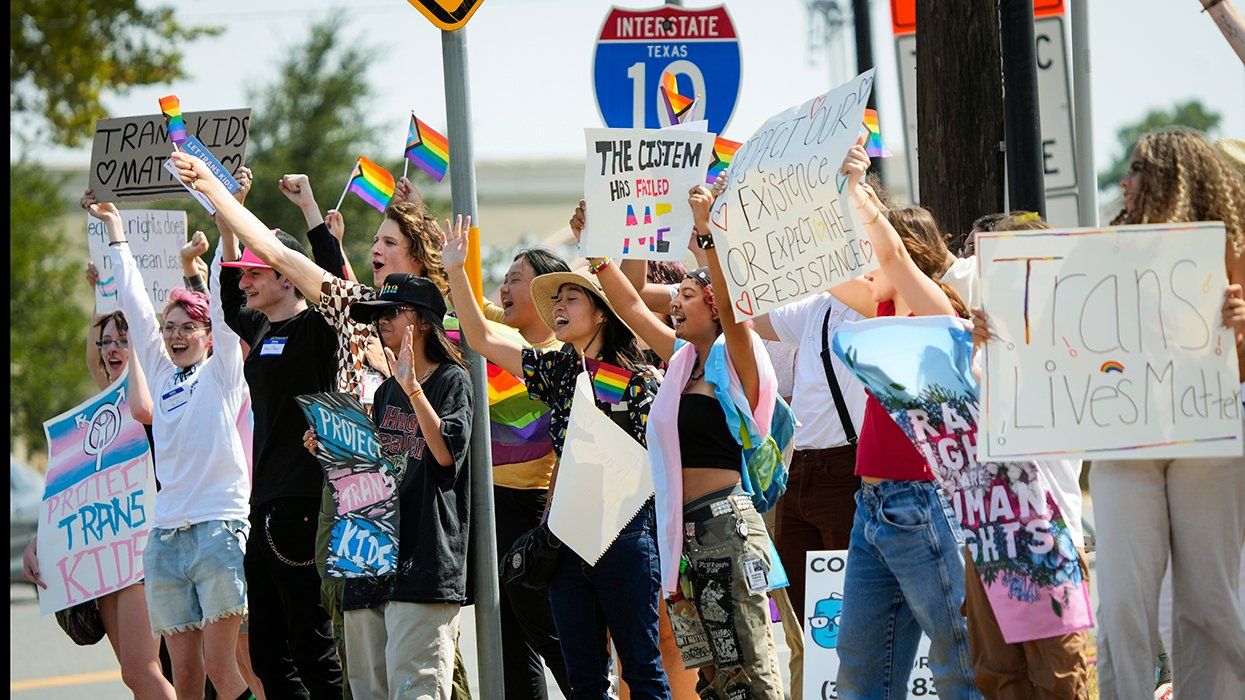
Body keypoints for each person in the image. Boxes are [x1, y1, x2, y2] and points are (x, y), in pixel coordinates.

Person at [169, 155, 473, 700]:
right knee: (356, 670)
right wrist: (219, 197)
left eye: (388, 242)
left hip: (424, 531)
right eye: (374, 241)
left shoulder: (450, 347)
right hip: (360, 506)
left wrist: (453, 274)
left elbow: (451, 434)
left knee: (424, 679)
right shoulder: (361, 309)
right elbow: (294, 260)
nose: (374, 251)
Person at [441, 215, 670, 700]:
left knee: (642, 672)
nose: (559, 308)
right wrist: (457, 271)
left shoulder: (643, 379)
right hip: (567, 537)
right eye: (555, 301)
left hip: (626, 536)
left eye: (571, 299)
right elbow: (481, 337)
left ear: (601, 312)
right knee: (584, 679)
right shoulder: (558, 369)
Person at [580, 185, 792, 699]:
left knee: (749, 666)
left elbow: (736, 309)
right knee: (712, 678)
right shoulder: (680, 364)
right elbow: (631, 309)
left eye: (688, 296)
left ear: (716, 305)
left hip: (726, 527)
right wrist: (599, 249)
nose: (675, 302)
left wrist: (706, 234)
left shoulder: (736, 357)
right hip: (682, 536)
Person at [1093, 127, 1245, 699]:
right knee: (1124, 605)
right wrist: (1000, 331)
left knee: (1209, 600)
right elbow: (1050, 339)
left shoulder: (1231, 249)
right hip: (1125, 443)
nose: (1125, 182)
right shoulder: (1102, 250)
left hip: (1206, 439)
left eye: (1138, 170)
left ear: (1174, 181)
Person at [83, 190, 254, 700]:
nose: (175, 336)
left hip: (218, 527)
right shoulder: (161, 375)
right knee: (185, 676)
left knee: (223, 669)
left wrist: (227, 217)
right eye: (170, 329)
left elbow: (225, 305)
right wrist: (116, 231)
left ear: (207, 334)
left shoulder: (223, 371)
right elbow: (135, 307)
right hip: (167, 536)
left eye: (186, 329)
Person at [832, 139, 981, 699]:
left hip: (921, 504)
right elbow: (809, 272)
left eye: (867, 254)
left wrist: (857, 192)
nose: (864, 266)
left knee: (956, 661)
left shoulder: (937, 313)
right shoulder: (884, 308)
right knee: (860, 667)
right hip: (872, 509)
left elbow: (891, 257)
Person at [304, 273, 474, 700]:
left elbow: (445, 455)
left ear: (421, 320)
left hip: (424, 563)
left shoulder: (452, 381)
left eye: (390, 313)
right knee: (367, 693)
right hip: (369, 563)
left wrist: (412, 387)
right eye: (375, 316)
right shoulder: (382, 396)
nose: (379, 323)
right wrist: (333, 449)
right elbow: (378, 478)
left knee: (415, 690)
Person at [23, 297, 174, 700]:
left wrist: (114, 289)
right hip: (105, 555)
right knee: (134, 676)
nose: (111, 348)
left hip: (144, 552)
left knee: (146, 673)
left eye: (123, 340)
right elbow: (74, 493)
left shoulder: (157, 400)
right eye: (106, 341)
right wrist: (44, 542)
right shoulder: (96, 413)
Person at [219, 215, 345, 698]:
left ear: (286, 276)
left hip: (307, 500)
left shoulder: (317, 329)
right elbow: (229, 299)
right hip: (264, 502)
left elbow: (339, 289)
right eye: (244, 272)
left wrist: (314, 215)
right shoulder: (259, 326)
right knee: (268, 655)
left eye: (255, 271)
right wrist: (228, 216)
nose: (244, 280)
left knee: (311, 646)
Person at [483, 247, 575, 700]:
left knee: (552, 638)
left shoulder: (563, 357)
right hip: (491, 504)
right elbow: (446, 288)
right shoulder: (497, 333)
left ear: (544, 291)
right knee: (509, 643)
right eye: (505, 278)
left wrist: (548, 522)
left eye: (516, 278)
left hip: (538, 511)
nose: (503, 288)